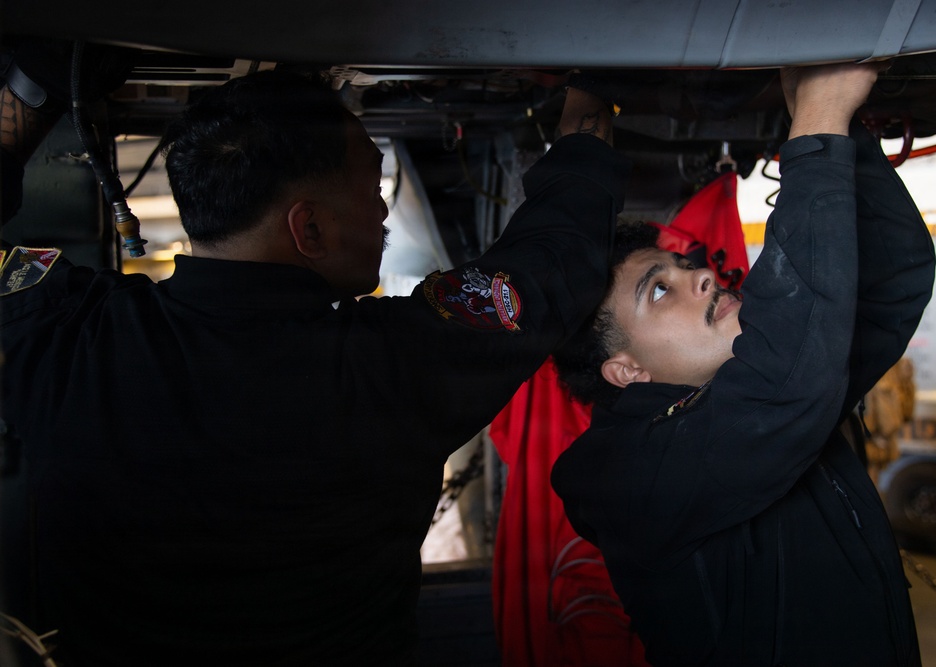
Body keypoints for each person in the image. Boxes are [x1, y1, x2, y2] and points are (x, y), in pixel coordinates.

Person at [0, 46, 631, 666]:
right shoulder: (392, 365)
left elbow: (557, 261)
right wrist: (594, 78)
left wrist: (33, 88)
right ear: (309, 230)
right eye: (370, 187)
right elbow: (556, 259)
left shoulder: (68, 340)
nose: (382, 209)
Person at [551, 62, 933, 666]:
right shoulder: (627, 477)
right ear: (625, 369)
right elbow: (781, 385)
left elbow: (889, 289)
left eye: (681, 267)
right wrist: (817, 127)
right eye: (658, 289)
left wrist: (842, 133)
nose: (701, 274)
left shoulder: (781, 381)